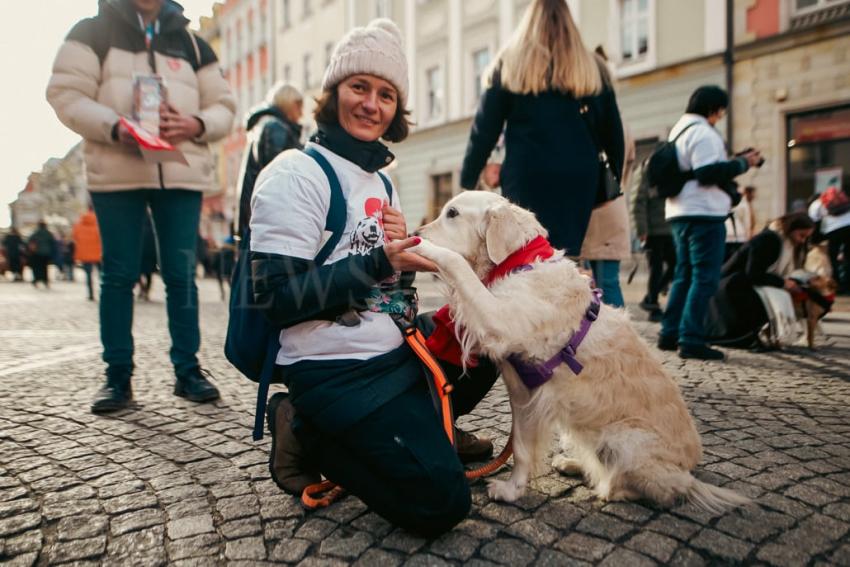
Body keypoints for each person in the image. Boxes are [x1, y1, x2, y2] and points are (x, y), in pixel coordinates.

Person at [249, 19, 498, 536]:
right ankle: (307, 429)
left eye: (386, 94)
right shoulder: (295, 174)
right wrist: (381, 262)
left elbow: (387, 288)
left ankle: (424, 431)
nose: (371, 103)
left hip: (395, 351)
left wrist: (402, 267)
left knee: (495, 335)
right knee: (442, 502)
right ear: (332, 94)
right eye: (359, 87)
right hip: (332, 370)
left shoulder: (383, 179)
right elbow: (274, 300)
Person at [46, 0, 236, 413]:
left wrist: (196, 124)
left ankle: (188, 370)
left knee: (181, 274)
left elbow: (224, 106)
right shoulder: (91, 32)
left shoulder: (193, 43)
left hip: (180, 170)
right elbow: (65, 94)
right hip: (117, 170)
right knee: (118, 274)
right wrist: (115, 126)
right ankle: (118, 377)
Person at [459, 0, 625, 257]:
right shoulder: (593, 68)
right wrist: (612, 176)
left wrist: (469, 179)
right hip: (578, 177)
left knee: (525, 257)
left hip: (527, 174)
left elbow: (483, 131)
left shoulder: (510, 64)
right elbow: (613, 135)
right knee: (563, 256)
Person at [656, 86, 762, 361]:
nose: (721, 116)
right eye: (721, 110)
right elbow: (706, 173)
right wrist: (743, 163)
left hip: (680, 211)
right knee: (704, 277)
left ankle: (669, 333)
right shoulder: (704, 132)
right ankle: (691, 338)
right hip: (703, 212)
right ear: (715, 109)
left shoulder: (680, 129)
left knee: (685, 274)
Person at [705, 213, 815, 348]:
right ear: (790, 229)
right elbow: (754, 273)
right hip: (730, 286)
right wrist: (783, 283)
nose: (803, 241)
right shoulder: (769, 240)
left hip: (740, 282)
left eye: (806, 237)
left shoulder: (783, 241)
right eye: (801, 235)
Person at [237, 82, 304, 238]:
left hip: (256, 218)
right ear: (288, 103)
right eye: (298, 106)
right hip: (268, 221)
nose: (301, 113)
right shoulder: (275, 128)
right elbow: (279, 180)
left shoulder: (268, 125)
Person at [631, 160, 676, 321]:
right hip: (652, 232)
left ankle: (651, 296)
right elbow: (637, 201)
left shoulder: (665, 171)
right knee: (656, 269)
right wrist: (642, 230)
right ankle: (653, 306)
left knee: (676, 263)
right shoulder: (645, 170)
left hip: (668, 228)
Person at [808, 191, 850, 295]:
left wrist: (814, 241)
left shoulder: (815, 206)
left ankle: (838, 286)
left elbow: (815, 225)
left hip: (833, 230)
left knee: (832, 258)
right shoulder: (842, 200)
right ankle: (848, 285)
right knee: (848, 257)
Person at [72, 207, 103, 301]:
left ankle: (91, 294)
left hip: (85, 254)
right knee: (102, 275)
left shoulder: (78, 225)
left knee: (88, 275)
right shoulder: (99, 223)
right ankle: (103, 292)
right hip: (99, 254)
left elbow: (74, 237)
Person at [725, 185, 757, 261]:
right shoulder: (744, 204)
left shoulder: (727, 201)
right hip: (739, 237)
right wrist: (748, 237)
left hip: (727, 236)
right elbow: (747, 222)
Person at [27, 222, 57, 288]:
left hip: (36, 253)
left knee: (36, 267)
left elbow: (29, 241)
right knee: (44, 268)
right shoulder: (48, 234)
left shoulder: (35, 233)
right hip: (46, 253)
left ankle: (36, 279)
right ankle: (45, 280)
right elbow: (53, 244)